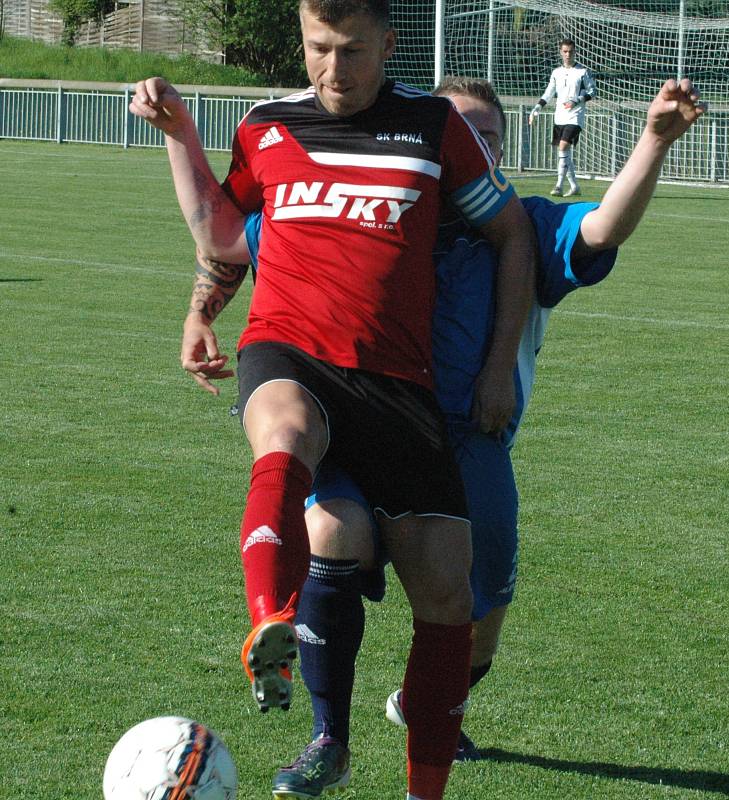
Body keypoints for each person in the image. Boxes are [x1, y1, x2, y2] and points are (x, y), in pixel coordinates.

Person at [209, 76, 706, 798]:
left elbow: (600, 229)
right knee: (331, 534)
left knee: (478, 608)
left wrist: (654, 141)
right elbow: (242, 236)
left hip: (466, 439)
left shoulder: (523, 227)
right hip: (349, 426)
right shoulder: (361, 201)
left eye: (490, 141)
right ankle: (327, 736)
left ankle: (430, 707)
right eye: (465, 138)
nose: (476, 152)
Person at [129, 2, 536, 799]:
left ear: (388, 44)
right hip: (287, 349)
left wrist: (498, 369)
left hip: (399, 385)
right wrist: (181, 142)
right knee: (284, 432)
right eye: (319, 49)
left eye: (352, 52)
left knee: (448, 590)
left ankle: (424, 790)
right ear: (301, 42)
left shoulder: (433, 127)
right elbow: (225, 234)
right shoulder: (265, 124)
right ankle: (270, 619)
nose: (333, 70)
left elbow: (511, 233)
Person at [529, 38, 597, 197]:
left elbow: (593, 91)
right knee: (564, 154)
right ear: (561, 52)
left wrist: (577, 100)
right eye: (565, 51)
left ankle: (559, 186)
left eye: (571, 51)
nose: (568, 54)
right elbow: (549, 93)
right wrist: (537, 107)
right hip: (559, 117)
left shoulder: (583, 72)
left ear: (575, 52)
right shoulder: (556, 72)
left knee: (563, 147)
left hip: (575, 117)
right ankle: (574, 186)